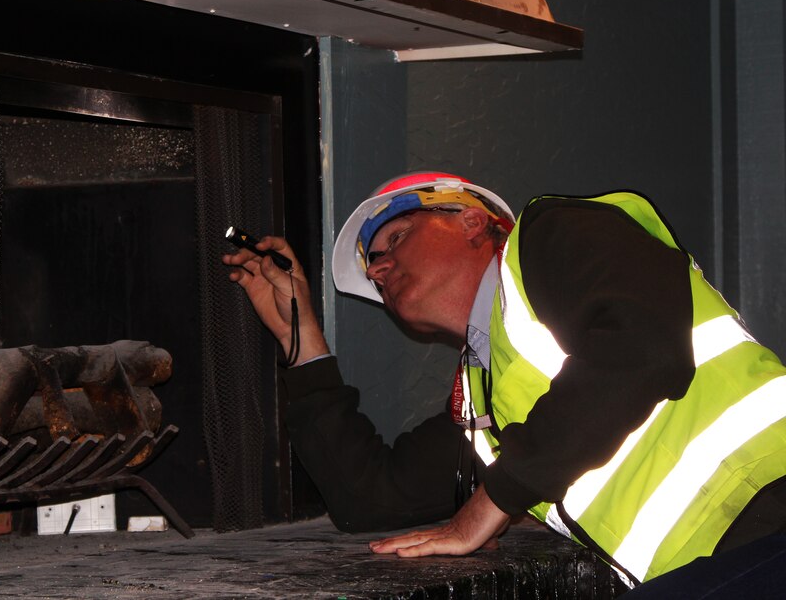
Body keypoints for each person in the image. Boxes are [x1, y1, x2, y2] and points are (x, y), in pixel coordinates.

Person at [222, 171, 786, 596]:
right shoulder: (484, 400)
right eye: (371, 265)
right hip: (707, 569)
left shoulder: (553, 234)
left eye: (392, 239)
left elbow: (641, 348)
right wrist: (303, 338)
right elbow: (369, 498)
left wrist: (494, 500)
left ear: (471, 220)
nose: (376, 269)